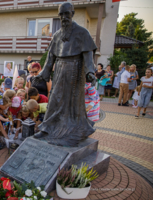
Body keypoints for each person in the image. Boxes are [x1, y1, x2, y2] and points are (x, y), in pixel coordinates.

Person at [32, 2, 97, 146]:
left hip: (75, 70)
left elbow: (88, 55)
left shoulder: (82, 33)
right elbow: (51, 57)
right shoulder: (57, 35)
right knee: (54, 100)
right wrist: (44, 73)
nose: (63, 17)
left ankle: (71, 131)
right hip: (60, 70)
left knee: (71, 103)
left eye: (66, 14)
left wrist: (90, 72)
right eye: (61, 15)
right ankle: (47, 129)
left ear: (72, 14)